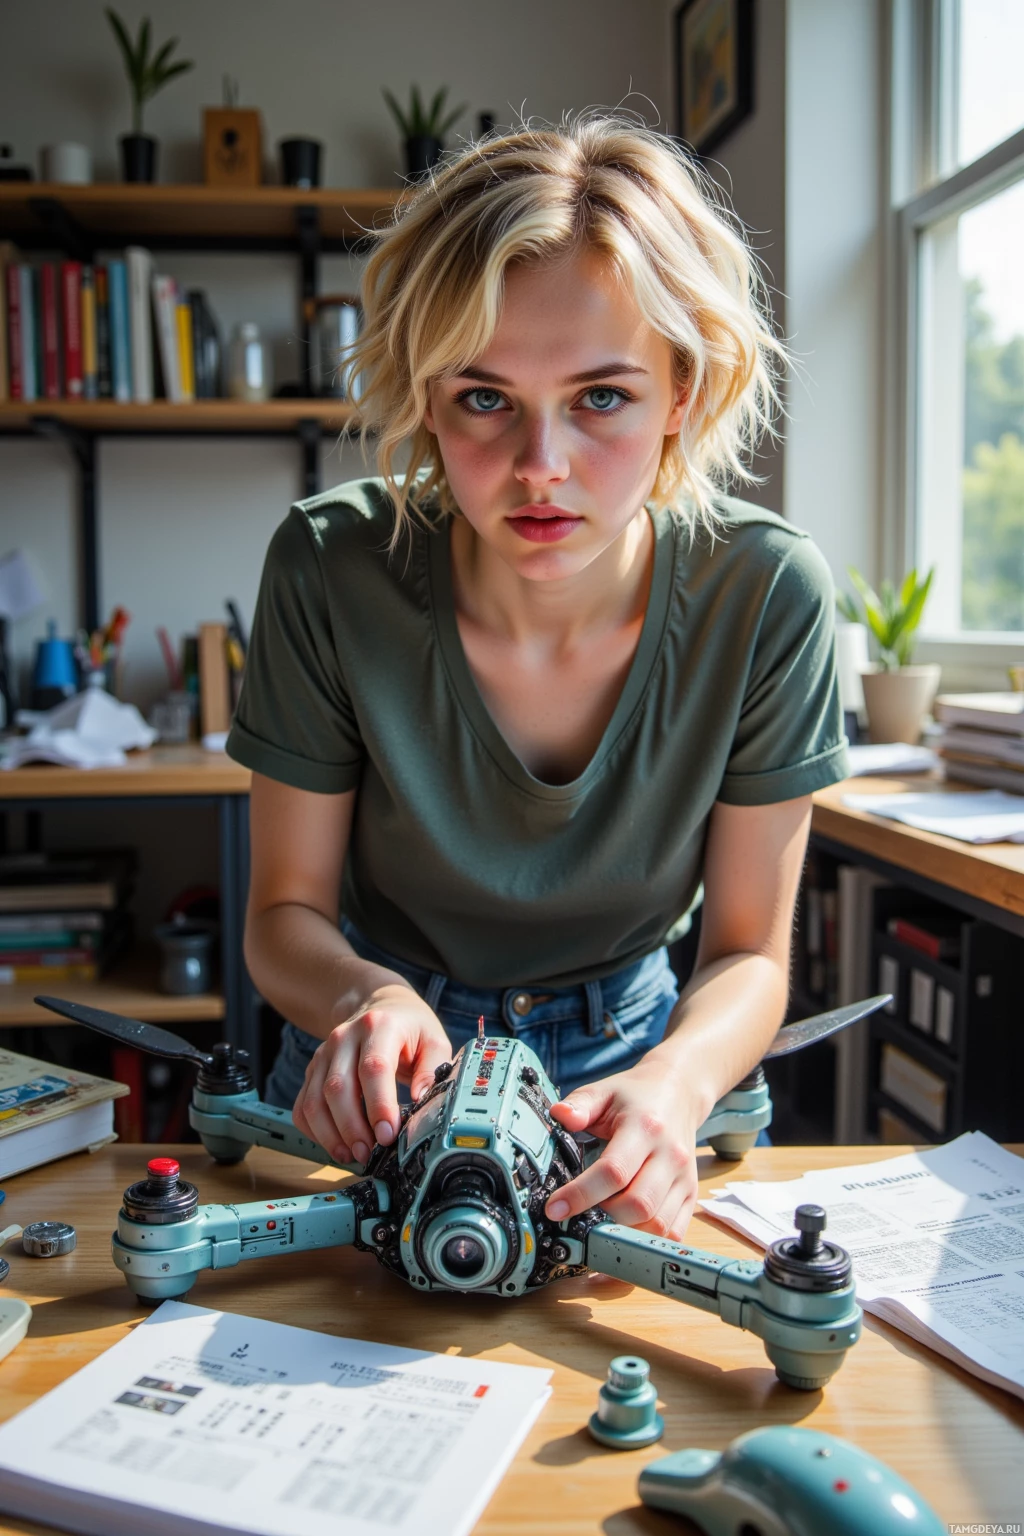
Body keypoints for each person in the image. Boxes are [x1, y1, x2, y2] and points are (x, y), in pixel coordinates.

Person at [225, 114, 849, 1245]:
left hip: (635, 1068)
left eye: (601, 397)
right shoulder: (327, 564)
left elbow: (751, 953)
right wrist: (364, 1001)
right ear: (424, 397)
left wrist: (680, 1083)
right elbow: (284, 913)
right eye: (483, 398)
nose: (540, 467)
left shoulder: (769, 594)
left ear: (686, 394)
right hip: (378, 1063)